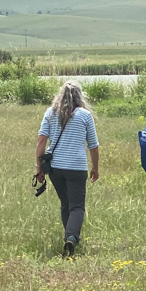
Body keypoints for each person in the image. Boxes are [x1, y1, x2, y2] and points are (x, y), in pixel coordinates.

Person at [35, 81, 99, 257]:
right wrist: (95, 167)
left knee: (66, 203)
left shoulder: (50, 112)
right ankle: (71, 238)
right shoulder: (85, 116)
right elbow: (93, 146)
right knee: (77, 206)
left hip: (55, 167)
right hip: (77, 167)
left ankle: (68, 239)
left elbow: (41, 141)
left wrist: (38, 167)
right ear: (80, 96)